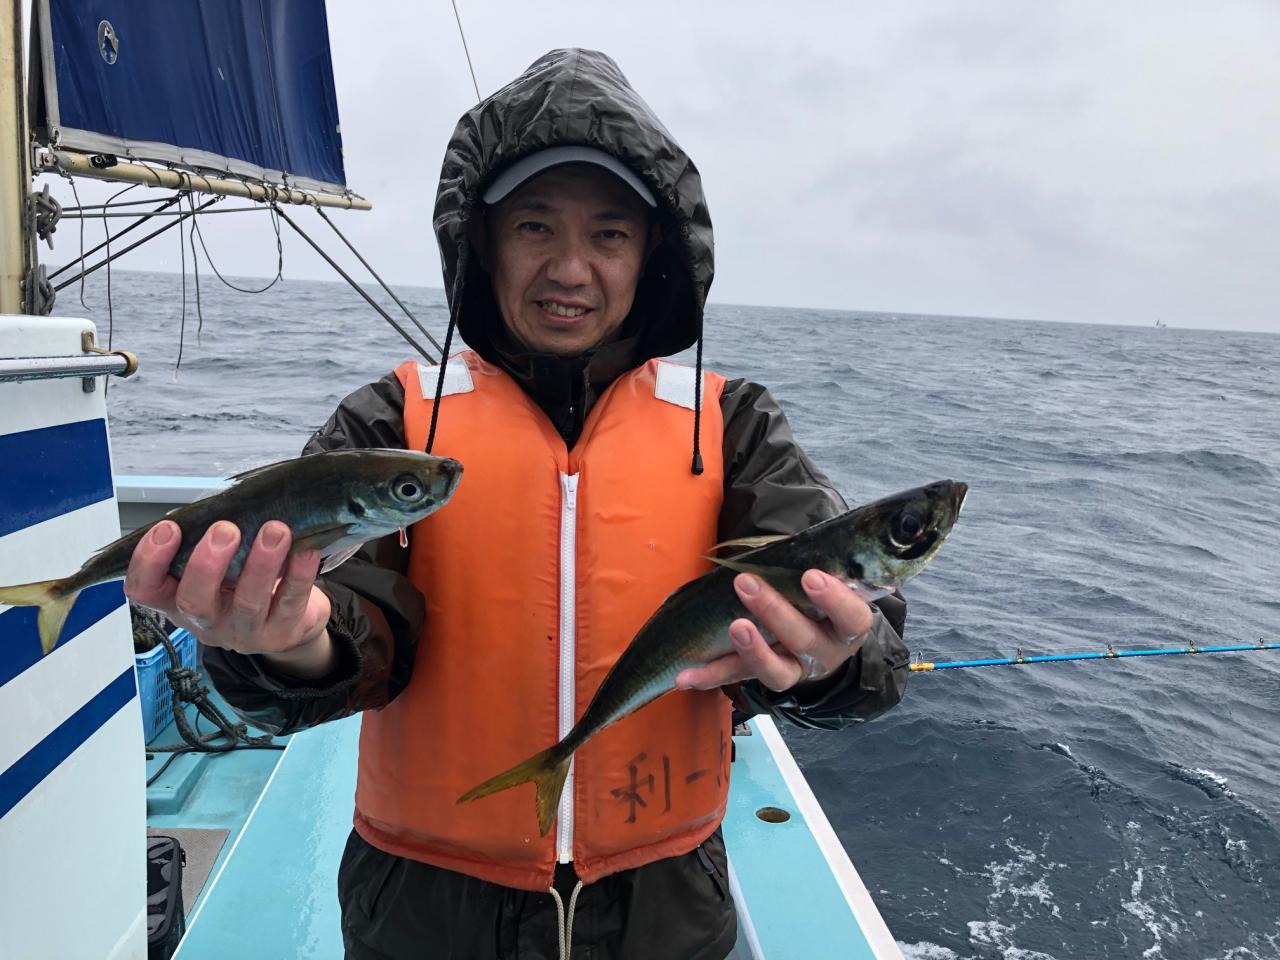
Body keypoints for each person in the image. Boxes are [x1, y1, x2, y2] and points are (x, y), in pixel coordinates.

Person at [125, 48, 911, 960]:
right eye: (535, 226)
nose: (570, 268)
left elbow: (872, 651)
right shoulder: (391, 424)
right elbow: (348, 623)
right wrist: (287, 642)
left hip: (665, 907)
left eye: (609, 234)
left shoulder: (732, 424)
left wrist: (828, 658)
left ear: (652, 254)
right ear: (483, 241)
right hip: (423, 908)